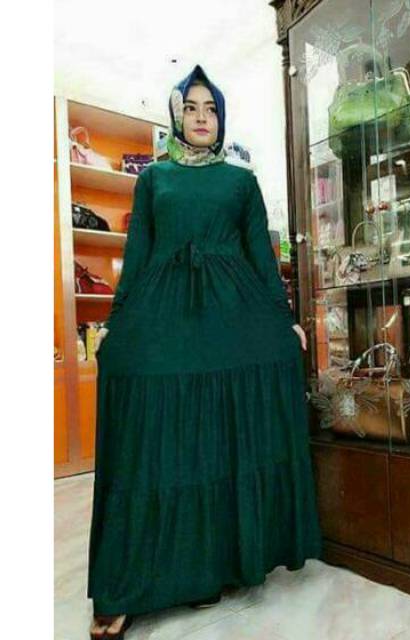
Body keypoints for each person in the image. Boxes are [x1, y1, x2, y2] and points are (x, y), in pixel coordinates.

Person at [87, 64, 323, 639]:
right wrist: (116, 325)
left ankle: (218, 565)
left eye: (210, 108)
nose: (201, 117)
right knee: (156, 435)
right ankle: (129, 584)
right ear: (176, 116)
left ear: (221, 117)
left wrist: (284, 322)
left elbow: (262, 258)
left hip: (233, 317)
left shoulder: (241, 182)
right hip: (165, 315)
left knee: (223, 437)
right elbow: (138, 255)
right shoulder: (154, 179)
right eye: (190, 108)